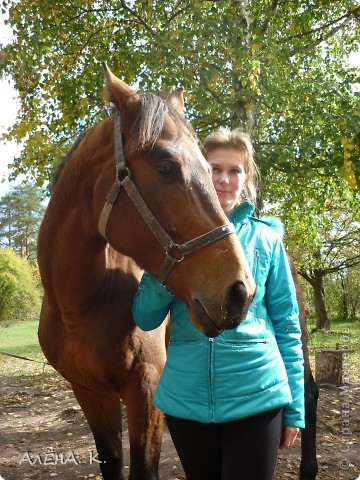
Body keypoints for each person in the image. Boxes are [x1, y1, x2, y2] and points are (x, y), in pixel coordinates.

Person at [132, 128, 305, 480]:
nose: (224, 179)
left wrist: (296, 408)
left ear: (246, 177)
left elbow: (287, 326)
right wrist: (170, 267)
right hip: (186, 403)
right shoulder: (169, 239)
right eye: (214, 169)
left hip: (259, 397)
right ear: (198, 171)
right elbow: (144, 317)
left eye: (234, 170)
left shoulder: (267, 239)